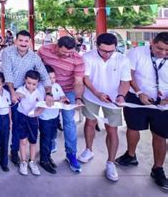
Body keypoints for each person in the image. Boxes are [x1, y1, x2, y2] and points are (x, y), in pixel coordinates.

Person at [115, 32, 168, 190]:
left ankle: (157, 169)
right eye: (160, 49)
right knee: (133, 128)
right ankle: (130, 155)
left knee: (160, 135)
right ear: (152, 42)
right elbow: (129, 74)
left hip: (163, 101)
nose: (163, 53)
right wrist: (139, 93)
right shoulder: (136, 53)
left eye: (167, 51)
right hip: (136, 96)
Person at [77, 33, 131, 182]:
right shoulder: (87, 56)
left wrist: (121, 96)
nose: (107, 54)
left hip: (113, 100)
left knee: (112, 130)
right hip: (91, 96)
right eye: (103, 51)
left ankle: (110, 162)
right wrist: (96, 93)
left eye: (111, 51)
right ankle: (88, 150)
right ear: (97, 46)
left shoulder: (123, 59)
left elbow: (125, 82)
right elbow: (85, 78)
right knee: (89, 123)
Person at [1, 30, 53, 166]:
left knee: (19, 122)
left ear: (30, 42)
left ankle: (15, 151)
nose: (23, 43)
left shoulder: (34, 57)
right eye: (20, 40)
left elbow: (44, 76)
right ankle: (4, 149)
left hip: (25, 90)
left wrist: (49, 93)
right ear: (15, 41)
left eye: (26, 41)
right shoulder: (7, 52)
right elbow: (7, 75)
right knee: (7, 122)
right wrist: (13, 93)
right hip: (9, 88)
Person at [38, 35, 85, 173]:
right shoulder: (44, 50)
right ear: (56, 46)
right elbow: (37, 67)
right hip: (48, 89)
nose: (67, 55)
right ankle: (50, 143)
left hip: (68, 91)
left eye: (70, 53)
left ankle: (71, 154)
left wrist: (78, 98)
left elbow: (78, 82)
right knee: (49, 119)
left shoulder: (77, 59)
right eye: (64, 52)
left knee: (69, 121)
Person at [38, 65, 68, 174]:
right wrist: (56, 100)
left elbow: (62, 96)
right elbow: (41, 102)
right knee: (45, 139)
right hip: (44, 118)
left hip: (55, 117)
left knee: (51, 138)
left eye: (54, 77)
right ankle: (43, 160)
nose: (52, 80)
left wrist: (64, 99)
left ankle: (48, 156)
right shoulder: (40, 87)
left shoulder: (57, 86)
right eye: (49, 78)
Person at [15, 70, 45, 176]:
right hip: (22, 117)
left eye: (34, 84)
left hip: (33, 118)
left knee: (33, 141)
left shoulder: (39, 93)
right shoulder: (20, 89)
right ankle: (23, 162)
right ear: (25, 81)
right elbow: (14, 97)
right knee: (23, 141)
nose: (31, 86)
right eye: (28, 83)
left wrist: (37, 113)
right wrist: (17, 95)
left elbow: (42, 106)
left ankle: (32, 162)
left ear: (38, 83)